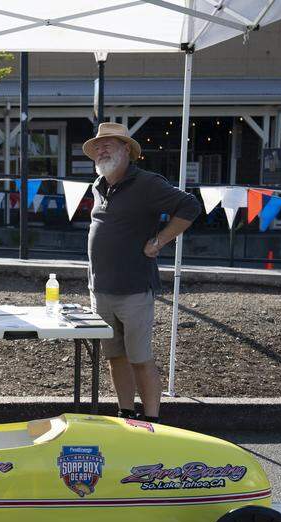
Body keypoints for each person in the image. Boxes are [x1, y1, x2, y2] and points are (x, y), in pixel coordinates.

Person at [82, 122, 201, 423]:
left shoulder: (147, 183)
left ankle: (152, 422)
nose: (102, 149)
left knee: (139, 358)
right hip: (101, 289)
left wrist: (160, 240)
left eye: (110, 143)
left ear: (127, 150)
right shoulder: (99, 185)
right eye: (98, 145)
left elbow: (190, 206)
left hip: (134, 289)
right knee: (114, 356)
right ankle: (125, 414)